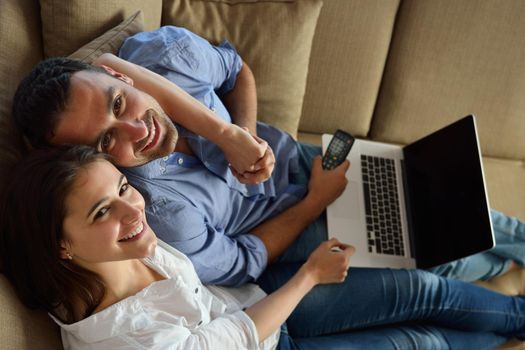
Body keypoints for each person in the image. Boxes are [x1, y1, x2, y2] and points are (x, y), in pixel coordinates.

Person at [12, 26, 525, 287]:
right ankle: (498, 265)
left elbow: (235, 70)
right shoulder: (154, 214)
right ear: (92, 163)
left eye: (118, 103)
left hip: (297, 158)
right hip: (285, 231)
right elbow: (240, 263)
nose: (135, 131)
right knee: (437, 257)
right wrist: (311, 204)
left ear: (121, 74)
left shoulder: (165, 53)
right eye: (105, 143)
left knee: (436, 184)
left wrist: (243, 134)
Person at [1, 145, 524, 350]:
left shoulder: (131, 244)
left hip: (256, 300)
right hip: (262, 337)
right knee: (422, 342)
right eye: (101, 212)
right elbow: (233, 339)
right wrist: (310, 276)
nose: (132, 210)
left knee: (420, 287)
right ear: (60, 246)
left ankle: (515, 312)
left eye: (121, 188)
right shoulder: (122, 340)